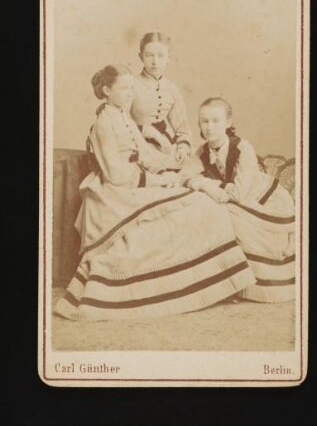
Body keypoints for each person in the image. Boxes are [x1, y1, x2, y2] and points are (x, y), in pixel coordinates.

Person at [55, 67, 256, 321]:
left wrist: (174, 160)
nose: (131, 94)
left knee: (199, 202)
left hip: (135, 183)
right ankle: (173, 286)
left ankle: (207, 281)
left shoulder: (124, 117)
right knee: (188, 209)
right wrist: (158, 180)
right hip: (113, 193)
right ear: (107, 91)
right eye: (124, 89)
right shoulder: (103, 124)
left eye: (132, 88)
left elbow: (147, 156)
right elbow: (116, 175)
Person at [185, 97, 295, 303]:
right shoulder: (202, 152)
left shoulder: (243, 148)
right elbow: (186, 177)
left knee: (233, 221)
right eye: (204, 121)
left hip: (264, 201)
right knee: (212, 215)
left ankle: (247, 283)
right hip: (237, 202)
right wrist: (198, 181)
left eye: (216, 121)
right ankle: (226, 281)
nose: (209, 127)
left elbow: (238, 194)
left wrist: (207, 184)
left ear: (228, 123)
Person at [131, 31, 192, 170]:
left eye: (161, 55)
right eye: (149, 55)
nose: (154, 61)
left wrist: (182, 148)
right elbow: (120, 122)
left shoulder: (172, 89)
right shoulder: (131, 85)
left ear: (169, 58)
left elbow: (182, 128)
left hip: (164, 147)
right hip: (136, 145)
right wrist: (150, 132)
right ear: (140, 56)